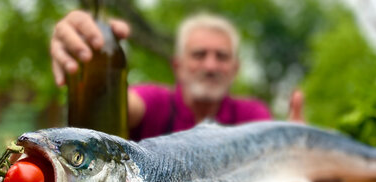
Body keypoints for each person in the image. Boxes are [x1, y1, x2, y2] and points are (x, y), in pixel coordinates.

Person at [51, 11, 304, 141]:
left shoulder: (252, 116)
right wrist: (88, 62)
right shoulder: (154, 102)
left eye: (222, 56)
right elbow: (115, 106)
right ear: (178, 66)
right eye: (199, 54)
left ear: (235, 68)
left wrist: (294, 147)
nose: (210, 65)